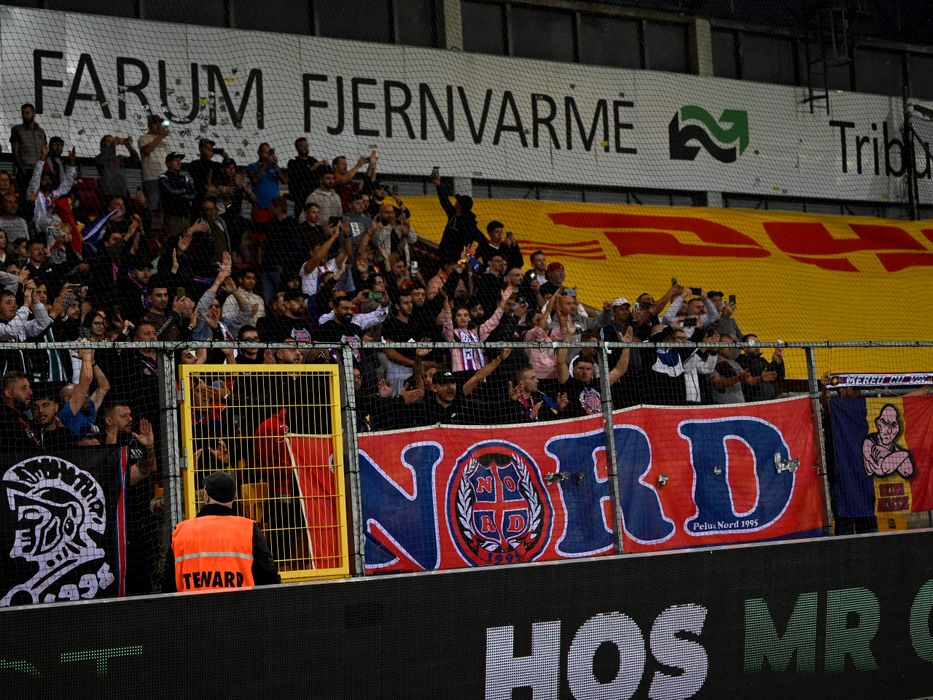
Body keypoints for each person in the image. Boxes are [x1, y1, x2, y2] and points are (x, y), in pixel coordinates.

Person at [163, 471, 280, 592]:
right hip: (240, 603)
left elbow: (168, 585)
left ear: (206, 496)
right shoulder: (249, 529)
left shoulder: (181, 532)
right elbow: (270, 578)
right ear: (234, 497)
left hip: (192, 604)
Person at [10, 103, 47, 196]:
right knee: (26, 197)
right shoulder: (17, 130)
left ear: (34, 113)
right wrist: (22, 169)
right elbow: (15, 152)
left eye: (27, 113)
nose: (25, 115)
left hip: (39, 170)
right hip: (25, 171)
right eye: (23, 113)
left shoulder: (41, 131)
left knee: (39, 197)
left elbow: (45, 150)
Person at [0, 371, 41, 450]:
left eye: (29, 387)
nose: (30, 392)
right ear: (8, 393)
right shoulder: (4, 422)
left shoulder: (21, 418)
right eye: (24, 388)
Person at [138, 114, 171, 211]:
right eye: (155, 123)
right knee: (153, 208)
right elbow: (146, 150)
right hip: (152, 179)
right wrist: (161, 136)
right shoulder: (144, 138)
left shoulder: (165, 141)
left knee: (167, 208)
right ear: (149, 125)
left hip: (166, 179)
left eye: (160, 123)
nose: (159, 125)